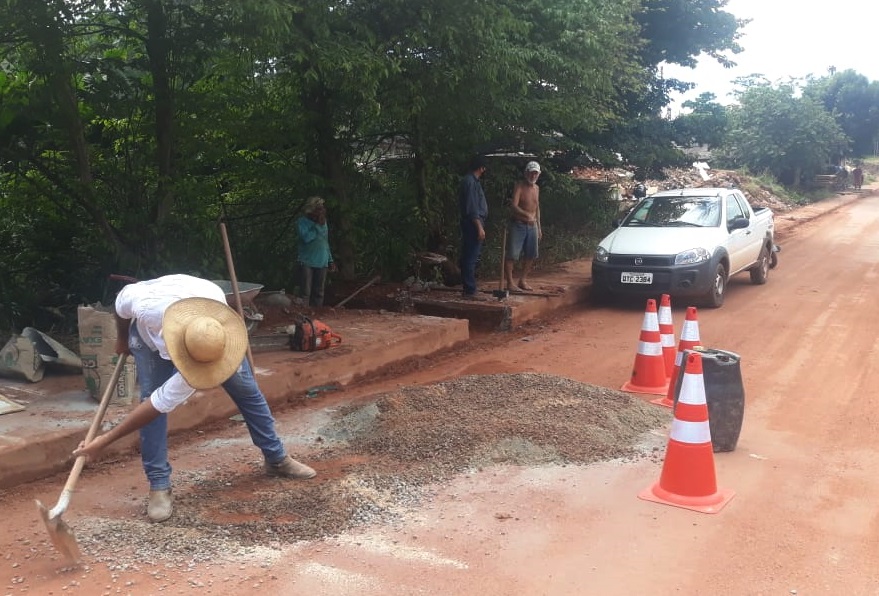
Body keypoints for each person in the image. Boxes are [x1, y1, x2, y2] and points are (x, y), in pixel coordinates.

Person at [73, 274, 317, 522]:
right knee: (151, 405)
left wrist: (102, 442)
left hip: (201, 325)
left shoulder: (214, 316)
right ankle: (158, 485)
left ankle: (276, 459)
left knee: (247, 390)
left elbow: (211, 346)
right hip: (149, 342)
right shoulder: (143, 305)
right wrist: (123, 338)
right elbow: (121, 307)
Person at [504, 161, 542, 292]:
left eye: (535, 173)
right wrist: (526, 214)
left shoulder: (537, 188)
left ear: (538, 174)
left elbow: (537, 208)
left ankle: (523, 280)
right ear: (526, 173)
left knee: (531, 254)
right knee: (512, 254)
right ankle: (510, 282)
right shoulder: (519, 186)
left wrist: (539, 227)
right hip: (518, 224)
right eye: (531, 173)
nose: (533, 175)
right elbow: (513, 206)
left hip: (533, 226)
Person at [458, 155, 488, 300]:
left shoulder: (471, 181)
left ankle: (470, 288)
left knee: (471, 256)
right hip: (473, 222)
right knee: (470, 256)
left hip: (474, 221)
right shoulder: (470, 182)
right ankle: (469, 290)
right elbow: (472, 208)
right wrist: (479, 227)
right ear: (481, 168)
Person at [297, 196, 336, 307]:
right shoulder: (302, 222)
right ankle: (304, 316)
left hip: (322, 260)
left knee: (319, 292)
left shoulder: (323, 223)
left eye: (322, 208)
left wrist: (330, 260)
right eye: (318, 208)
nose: (322, 211)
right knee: (305, 292)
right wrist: (316, 225)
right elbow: (306, 238)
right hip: (307, 262)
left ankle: (317, 315)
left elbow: (325, 241)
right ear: (311, 210)